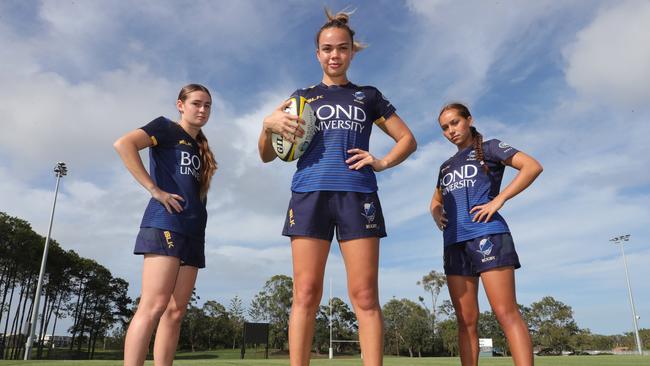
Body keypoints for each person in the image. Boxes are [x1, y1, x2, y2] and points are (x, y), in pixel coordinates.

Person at [258, 8, 416, 366]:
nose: (334, 55)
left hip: (357, 194)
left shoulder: (368, 96)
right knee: (306, 295)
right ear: (317, 53)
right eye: (327, 49)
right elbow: (267, 155)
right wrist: (267, 124)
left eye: (342, 48)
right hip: (309, 193)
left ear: (351, 52)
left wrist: (383, 161)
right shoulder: (301, 98)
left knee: (364, 296)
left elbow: (407, 139)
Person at [430, 103, 542, 365]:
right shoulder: (446, 166)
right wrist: (436, 212)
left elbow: (532, 166)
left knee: (505, 313)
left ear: (468, 120)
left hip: (488, 235)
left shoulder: (489, 148)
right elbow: (434, 201)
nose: (450, 131)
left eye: (455, 123)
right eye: (445, 128)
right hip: (454, 244)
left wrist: (498, 200)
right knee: (466, 321)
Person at [113, 84, 217, 366]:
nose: (203, 110)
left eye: (207, 105)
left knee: (176, 311)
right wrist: (154, 189)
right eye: (197, 103)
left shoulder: (201, 148)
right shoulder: (165, 128)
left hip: (193, 232)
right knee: (154, 305)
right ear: (180, 105)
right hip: (165, 223)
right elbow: (124, 144)